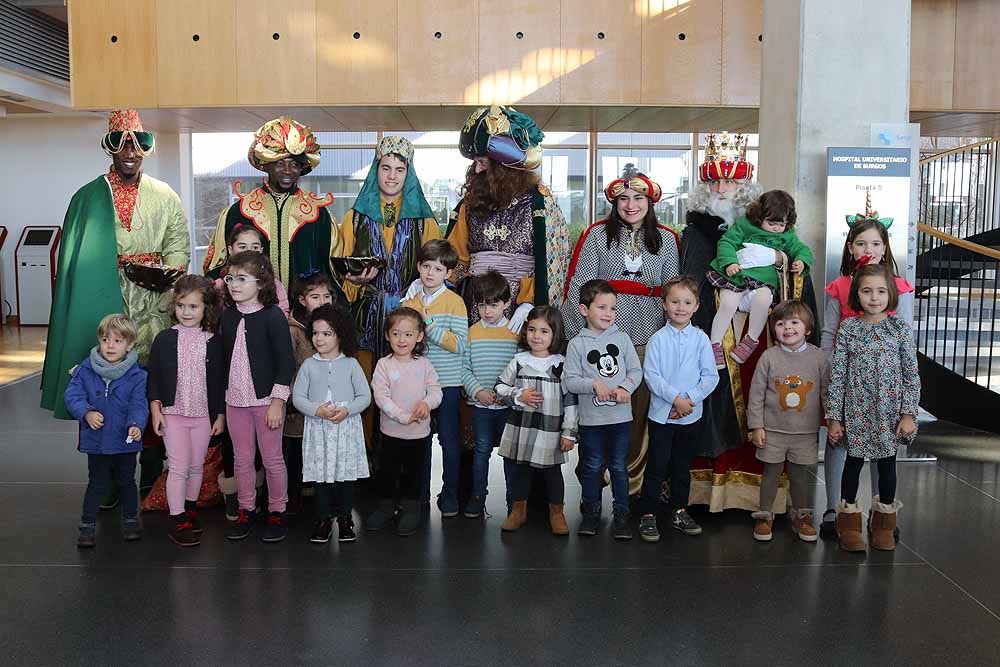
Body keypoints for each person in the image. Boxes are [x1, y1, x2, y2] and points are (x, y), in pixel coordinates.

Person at [41, 109, 189, 501]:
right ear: (109, 148)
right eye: (120, 145)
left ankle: (152, 478)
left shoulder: (165, 195)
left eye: (137, 145)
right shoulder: (88, 197)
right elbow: (76, 261)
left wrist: (165, 273)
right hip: (106, 310)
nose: (129, 153)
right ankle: (105, 482)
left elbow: (178, 244)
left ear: (146, 150)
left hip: (154, 308)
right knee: (103, 389)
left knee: (152, 389)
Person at [679, 132, 819, 513]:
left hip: (762, 336)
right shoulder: (695, 232)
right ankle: (712, 495)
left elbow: (796, 275)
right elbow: (688, 281)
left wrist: (776, 263)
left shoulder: (774, 226)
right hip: (716, 333)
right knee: (717, 406)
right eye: (715, 181)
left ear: (745, 186)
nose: (722, 188)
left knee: (768, 405)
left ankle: (768, 500)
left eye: (731, 181)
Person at [562, 166, 680, 496]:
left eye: (638, 198)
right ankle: (592, 473)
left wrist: (669, 339)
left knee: (636, 412)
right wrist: (577, 337)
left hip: (645, 333)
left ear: (650, 201)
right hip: (600, 335)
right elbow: (578, 286)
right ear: (614, 202)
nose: (631, 205)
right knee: (595, 406)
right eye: (624, 198)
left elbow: (671, 290)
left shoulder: (667, 239)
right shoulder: (597, 234)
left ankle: (631, 482)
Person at [339, 135, 440, 453]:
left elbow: (434, 271)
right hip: (366, 313)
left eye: (400, 169)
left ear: (409, 174)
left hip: (408, 314)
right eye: (386, 167)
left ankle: (406, 453)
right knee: (367, 387)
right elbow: (342, 267)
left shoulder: (424, 220)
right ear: (375, 171)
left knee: (407, 386)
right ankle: (366, 457)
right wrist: (355, 279)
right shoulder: (355, 217)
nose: (392, 175)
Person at [818, 210, 914, 537]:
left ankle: (881, 513)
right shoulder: (840, 287)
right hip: (847, 383)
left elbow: (905, 352)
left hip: (886, 393)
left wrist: (908, 409)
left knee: (884, 454)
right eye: (860, 243)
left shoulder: (896, 289)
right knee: (841, 446)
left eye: (875, 242)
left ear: (885, 248)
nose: (868, 248)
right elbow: (829, 334)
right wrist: (832, 379)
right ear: (850, 247)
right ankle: (837, 509)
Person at [447, 105, 570, 329]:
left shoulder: (540, 204)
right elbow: (457, 258)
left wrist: (529, 302)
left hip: (522, 312)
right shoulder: (469, 204)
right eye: (475, 162)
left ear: (503, 166)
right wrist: (434, 286)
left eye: (483, 163)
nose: (476, 170)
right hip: (475, 305)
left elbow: (552, 265)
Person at [827, 264, 919, 552]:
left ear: (890, 293)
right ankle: (849, 524)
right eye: (867, 291)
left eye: (880, 291)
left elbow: (910, 373)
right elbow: (838, 374)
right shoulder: (849, 328)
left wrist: (908, 414)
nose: (874, 297)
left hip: (889, 414)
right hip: (855, 412)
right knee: (852, 466)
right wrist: (834, 418)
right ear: (857, 294)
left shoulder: (899, 328)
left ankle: (883, 524)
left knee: (888, 468)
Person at [203, 116, 342, 289]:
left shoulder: (319, 213)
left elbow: (333, 268)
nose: (287, 171)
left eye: (294, 164)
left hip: (306, 309)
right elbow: (219, 266)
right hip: (252, 307)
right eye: (279, 163)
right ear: (266, 164)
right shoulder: (237, 211)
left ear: (302, 167)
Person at [219, 252, 295, 543]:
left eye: (241, 279)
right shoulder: (228, 316)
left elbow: (285, 362)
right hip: (235, 401)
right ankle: (246, 508)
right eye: (230, 278)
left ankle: (277, 510)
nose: (234, 284)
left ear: (261, 282)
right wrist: (221, 406)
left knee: (273, 459)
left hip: (266, 403)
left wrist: (278, 401)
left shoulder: (273, 316)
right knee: (242, 459)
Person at [638, 276, 718, 543]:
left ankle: (679, 511)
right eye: (674, 301)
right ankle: (648, 514)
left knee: (682, 467)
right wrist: (675, 400)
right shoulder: (657, 340)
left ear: (696, 306)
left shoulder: (701, 339)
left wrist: (688, 401)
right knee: (657, 465)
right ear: (664, 304)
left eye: (687, 302)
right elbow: (652, 376)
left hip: (691, 416)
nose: (680, 307)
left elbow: (710, 377)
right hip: (662, 415)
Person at [146, 275, 226, 547]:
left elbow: (219, 381)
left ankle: (190, 510)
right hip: (173, 413)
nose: (186, 312)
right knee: (178, 467)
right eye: (181, 306)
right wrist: (156, 411)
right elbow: (154, 378)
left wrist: (220, 415)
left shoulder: (214, 341)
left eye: (193, 307)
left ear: (206, 309)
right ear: (174, 306)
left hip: (203, 415)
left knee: (195, 467)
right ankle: (177, 519)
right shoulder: (164, 339)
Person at [563, 280, 642, 540]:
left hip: (620, 418)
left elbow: (635, 371)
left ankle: (621, 514)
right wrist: (593, 384)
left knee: (619, 466)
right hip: (592, 419)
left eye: (613, 308)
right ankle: (592, 513)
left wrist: (625, 388)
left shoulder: (622, 338)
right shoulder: (577, 344)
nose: (609, 313)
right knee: (592, 465)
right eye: (602, 307)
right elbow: (570, 380)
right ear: (584, 310)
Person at [64, 314, 149, 548]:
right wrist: (86, 412)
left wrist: (136, 424)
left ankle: (131, 519)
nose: (110, 345)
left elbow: (139, 404)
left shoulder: (137, 375)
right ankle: (87, 525)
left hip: (125, 441)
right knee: (96, 483)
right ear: (99, 341)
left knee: (126, 481)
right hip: (97, 442)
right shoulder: (85, 369)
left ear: (130, 345)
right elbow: (72, 396)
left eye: (118, 341)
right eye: (105, 339)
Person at [747, 300, 827, 543]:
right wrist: (756, 426)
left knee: (800, 476)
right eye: (781, 323)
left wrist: (832, 422)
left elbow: (826, 393)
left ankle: (801, 516)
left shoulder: (819, 358)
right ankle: (765, 515)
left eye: (794, 322)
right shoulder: (769, 357)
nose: (787, 328)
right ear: (774, 329)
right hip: (772, 430)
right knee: (770, 473)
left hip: (804, 433)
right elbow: (757, 393)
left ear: (808, 329)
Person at [494, 306, 577, 535]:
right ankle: (518, 511)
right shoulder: (519, 361)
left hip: (550, 428)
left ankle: (557, 513)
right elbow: (500, 387)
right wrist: (519, 395)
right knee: (522, 470)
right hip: (523, 426)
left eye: (544, 331)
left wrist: (569, 432)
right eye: (532, 330)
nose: (536, 336)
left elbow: (570, 400)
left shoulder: (561, 363)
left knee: (552, 472)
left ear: (555, 334)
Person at [292, 304, 371, 545]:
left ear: (340, 335)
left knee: (344, 476)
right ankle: (323, 518)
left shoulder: (350, 364)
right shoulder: (308, 365)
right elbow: (298, 398)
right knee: (322, 476)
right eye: (315, 333)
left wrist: (347, 410)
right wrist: (316, 410)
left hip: (346, 429)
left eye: (327, 333)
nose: (319, 338)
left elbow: (365, 397)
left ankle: (345, 518)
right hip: (318, 429)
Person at [707, 190, 813, 366]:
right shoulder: (745, 225)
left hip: (763, 280)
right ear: (759, 216)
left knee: (764, 300)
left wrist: (802, 261)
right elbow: (727, 242)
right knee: (727, 303)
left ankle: (751, 339)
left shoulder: (787, 234)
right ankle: (715, 344)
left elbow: (802, 249)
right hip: (737, 275)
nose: (776, 228)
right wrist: (730, 262)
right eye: (771, 223)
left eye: (782, 224)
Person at [402, 240, 468, 517]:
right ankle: (419, 495)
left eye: (438, 268)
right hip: (417, 383)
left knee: (450, 441)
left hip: (448, 382)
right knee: (420, 439)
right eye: (426, 266)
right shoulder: (410, 301)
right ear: (418, 267)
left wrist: (429, 324)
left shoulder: (455, 301)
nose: (430, 273)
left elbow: (460, 344)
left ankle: (450, 494)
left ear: (448, 273)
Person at [368, 307, 443, 537]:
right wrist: (402, 416)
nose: (402, 339)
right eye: (396, 333)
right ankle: (386, 505)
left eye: (408, 334)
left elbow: (436, 392)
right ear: (387, 335)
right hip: (390, 432)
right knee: (388, 472)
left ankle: (412, 507)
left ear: (419, 336)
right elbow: (381, 396)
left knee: (414, 473)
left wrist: (427, 404)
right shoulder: (383, 365)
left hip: (419, 434)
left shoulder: (425, 365)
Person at [460, 271, 519, 519]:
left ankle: (513, 500)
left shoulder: (516, 334)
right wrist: (478, 391)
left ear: (506, 303)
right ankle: (477, 497)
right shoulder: (471, 332)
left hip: (508, 407)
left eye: (493, 305)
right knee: (481, 451)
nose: (487, 311)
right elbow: (463, 368)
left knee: (510, 455)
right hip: (481, 406)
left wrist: (509, 395)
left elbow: (522, 369)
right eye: (482, 305)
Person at [284, 271, 336, 515]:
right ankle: (292, 497)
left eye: (327, 296)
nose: (323, 301)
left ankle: (322, 498)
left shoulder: (336, 327)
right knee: (295, 454)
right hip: (297, 406)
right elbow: (286, 368)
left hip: (326, 406)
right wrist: (292, 400)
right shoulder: (294, 330)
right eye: (315, 296)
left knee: (322, 454)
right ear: (303, 300)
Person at [214, 224, 291, 315]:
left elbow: (283, 314)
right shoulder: (219, 285)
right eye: (242, 247)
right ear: (230, 250)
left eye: (255, 247)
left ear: (261, 250)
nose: (249, 251)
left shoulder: (273, 284)